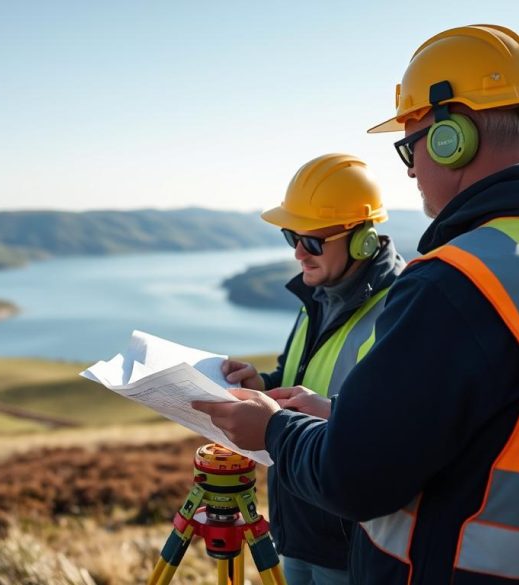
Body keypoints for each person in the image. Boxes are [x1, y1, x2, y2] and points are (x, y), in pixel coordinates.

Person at [195, 24, 519, 584]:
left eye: (411, 144)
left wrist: (276, 431)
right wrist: (338, 416)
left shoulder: (456, 282)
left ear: (451, 136)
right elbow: (512, 422)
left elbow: (354, 478)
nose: (409, 168)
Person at [221, 153, 404, 584]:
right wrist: (262, 385)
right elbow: (298, 379)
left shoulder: (399, 309)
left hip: (351, 544)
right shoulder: (317, 298)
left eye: (314, 242)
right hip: (298, 526)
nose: (299, 253)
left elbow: (397, 427)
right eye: (292, 237)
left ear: (361, 238)